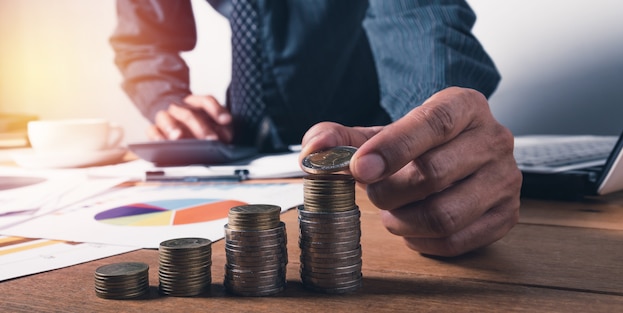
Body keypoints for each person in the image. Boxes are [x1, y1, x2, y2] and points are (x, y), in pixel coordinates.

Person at [110, 0, 522, 257]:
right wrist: (167, 99)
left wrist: (433, 121)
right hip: (238, 144)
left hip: (364, 150)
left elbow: (417, 13)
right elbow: (145, 39)